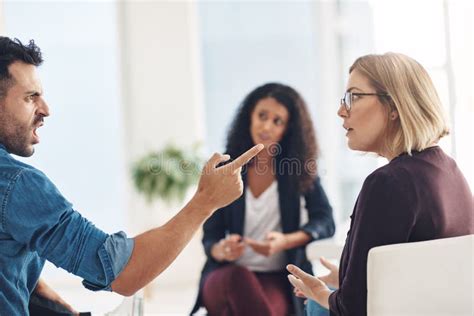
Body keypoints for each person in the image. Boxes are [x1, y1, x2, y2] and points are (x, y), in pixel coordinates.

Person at [0, 36, 264, 315]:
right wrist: (205, 200)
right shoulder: (17, 185)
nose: (46, 109)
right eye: (31, 97)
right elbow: (123, 273)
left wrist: (40, 291)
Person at [286, 52, 474, 316]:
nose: (341, 111)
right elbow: (430, 281)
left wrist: (319, 293)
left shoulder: (387, 183)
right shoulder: (452, 172)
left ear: (395, 106)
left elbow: (353, 311)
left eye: (354, 96)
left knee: (315, 307)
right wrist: (348, 281)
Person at [191, 83, 336, 316]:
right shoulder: (227, 169)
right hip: (226, 273)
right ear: (249, 116)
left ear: (288, 129)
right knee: (238, 280)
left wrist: (285, 241)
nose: (267, 126)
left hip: (276, 278)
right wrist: (222, 250)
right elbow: (211, 237)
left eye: (277, 121)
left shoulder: (299, 170)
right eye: (262, 116)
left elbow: (326, 221)